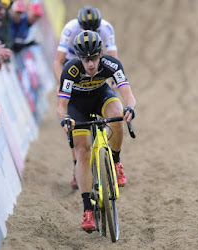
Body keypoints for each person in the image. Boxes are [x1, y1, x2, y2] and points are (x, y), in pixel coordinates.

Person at [56, 30, 136, 231]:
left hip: (101, 96)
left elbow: (128, 95)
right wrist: (65, 119)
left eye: (93, 58)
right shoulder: (70, 70)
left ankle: (116, 162)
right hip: (77, 105)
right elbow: (61, 107)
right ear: (78, 57)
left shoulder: (111, 64)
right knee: (82, 151)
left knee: (117, 115)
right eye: (85, 59)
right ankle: (87, 209)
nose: (90, 64)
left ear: (101, 53)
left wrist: (130, 108)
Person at [54, 6, 118, 189]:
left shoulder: (106, 28)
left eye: (94, 30)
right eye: (85, 30)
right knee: (72, 122)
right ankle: (77, 165)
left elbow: (113, 58)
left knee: (108, 101)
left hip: (94, 67)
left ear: (99, 26)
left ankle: (105, 145)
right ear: (79, 26)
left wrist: (113, 81)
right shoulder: (70, 28)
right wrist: (62, 84)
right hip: (73, 65)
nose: (90, 32)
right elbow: (58, 61)